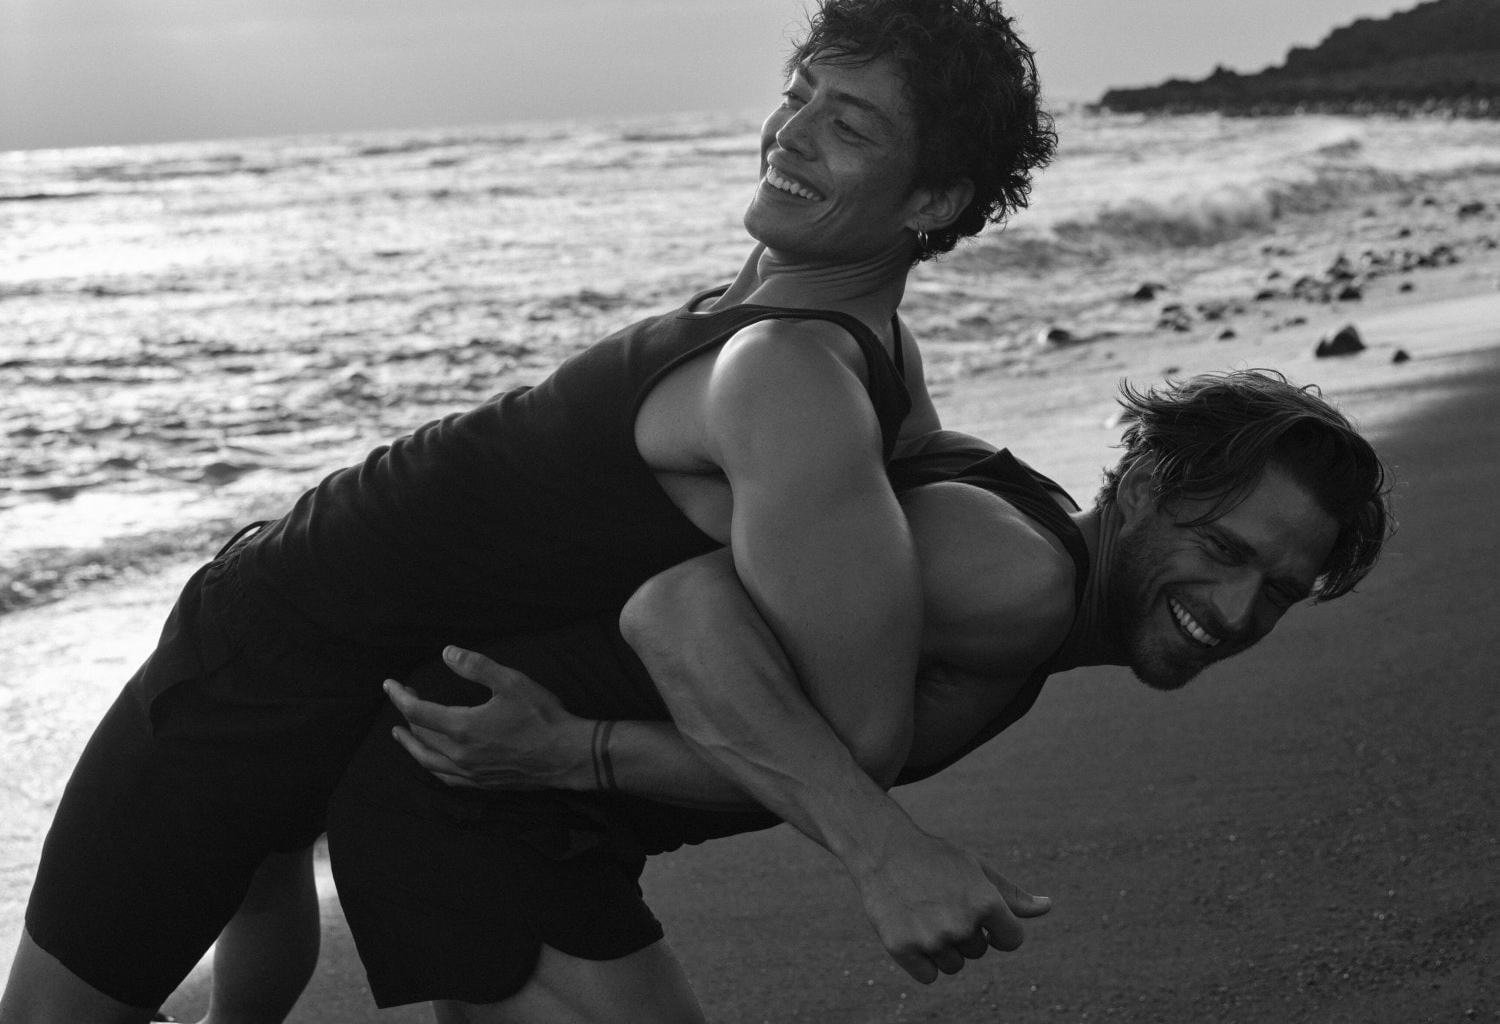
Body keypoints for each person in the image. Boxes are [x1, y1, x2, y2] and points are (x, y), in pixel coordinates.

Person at [0, 0, 1056, 1024]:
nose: (793, 130)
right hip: (341, 668)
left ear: (934, 198)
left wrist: (883, 855)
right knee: (261, 878)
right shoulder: (862, 349)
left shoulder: (788, 373)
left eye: (852, 126)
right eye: (800, 92)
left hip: (256, 659)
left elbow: (861, 728)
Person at [324, 370, 1391, 1022]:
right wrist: (885, 851)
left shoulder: (1033, 567)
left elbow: (777, 735)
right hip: (476, 795)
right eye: (1223, 550)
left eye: (1281, 591)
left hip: (503, 787)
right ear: (1150, 484)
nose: (1239, 608)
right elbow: (678, 613)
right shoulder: (1017, 579)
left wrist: (580, 756)